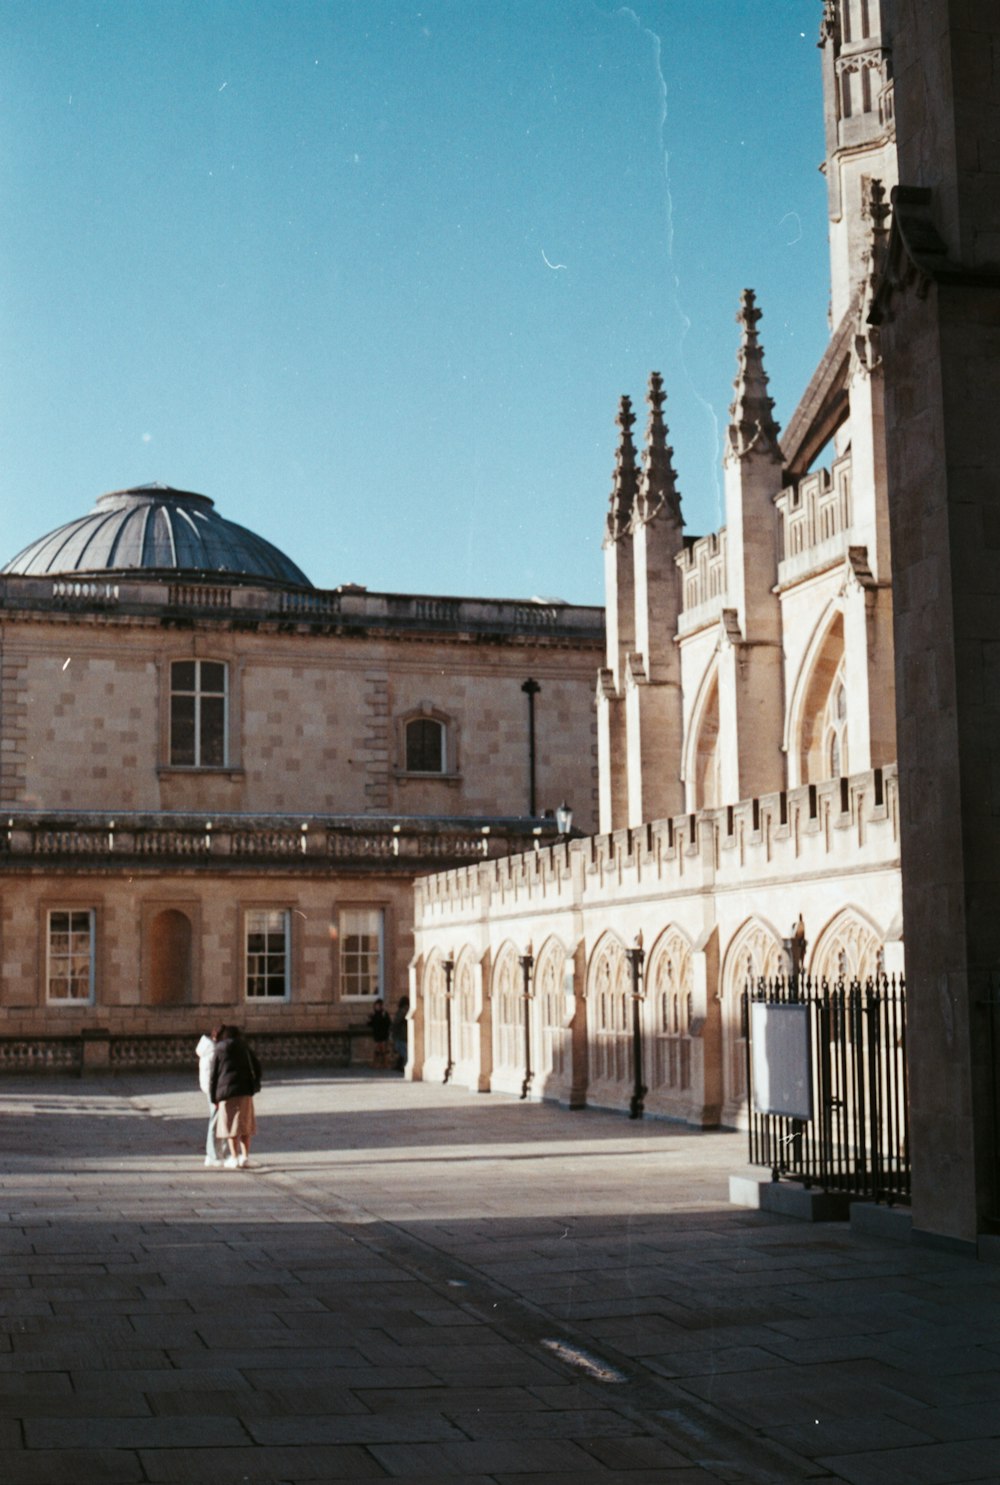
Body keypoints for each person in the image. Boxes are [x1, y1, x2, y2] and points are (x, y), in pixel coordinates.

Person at [209, 1025, 262, 1169]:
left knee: (230, 1126)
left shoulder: (219, 1049)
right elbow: (257, 1065)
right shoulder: (244, 1046)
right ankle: (245, 1156)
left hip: (226, 1092)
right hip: (244, 1089)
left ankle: (233, 1157)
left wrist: (214, 1098)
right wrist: (255, 1084)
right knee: (245, 1125)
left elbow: (213, 1075)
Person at [196, 1026, 225, 1167]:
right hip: (214, 1090)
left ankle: (215, 1153)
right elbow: (213, 1076)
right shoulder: (213, 1051)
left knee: (216, 1121)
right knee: (215, 1122)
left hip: (210, 1089)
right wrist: (216, 1094)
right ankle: (212, 1154)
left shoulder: (207, 1049)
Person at [368, 998, 391, 1068]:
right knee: (377, 1049)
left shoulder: (384, 1013)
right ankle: (377, 1064)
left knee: (383, 1049)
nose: (376, 1007)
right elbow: (372, 1023)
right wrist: (369, 1020)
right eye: (376, 1005)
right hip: (377, 1034)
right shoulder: (375, 1014)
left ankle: (384, 1064)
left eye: (378, 1005)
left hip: (383, 1034)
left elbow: (388, 1023)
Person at [391, 996, 409, 1071]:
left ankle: (401, 1065)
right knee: (402, 1050)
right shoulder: (406, 1010)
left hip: (401, 1033)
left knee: (401, 1050)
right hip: (403, 1033)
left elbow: (396, 1022)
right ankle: (400, 1065)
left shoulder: (402, 1011)